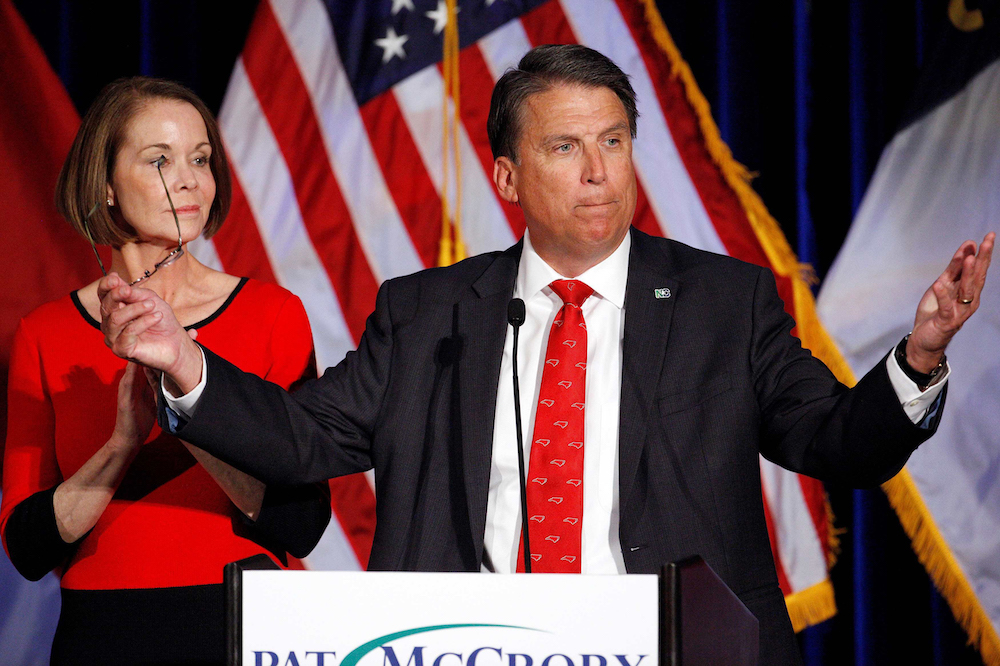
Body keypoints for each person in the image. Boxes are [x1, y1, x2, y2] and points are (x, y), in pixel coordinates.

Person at [97, 47, 993, 664]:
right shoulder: (426, 313)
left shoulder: (727, 303)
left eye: (613, 142)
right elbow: (303, 438)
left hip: (674, 647)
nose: (599, 170)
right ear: (508, 177)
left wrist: (915, 361)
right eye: (566, 147)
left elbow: (837, 442)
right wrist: (184, 362)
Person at [0, 77, 331, 665]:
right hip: (102, 632)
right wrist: (123, 443)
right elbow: (27, 546)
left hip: (244, 623)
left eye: (200, 159)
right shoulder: (43, 334)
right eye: (160, 160)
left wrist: (187, 394)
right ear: (104, 185)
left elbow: (301, 521)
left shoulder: (274, 314)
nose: (190, 179)